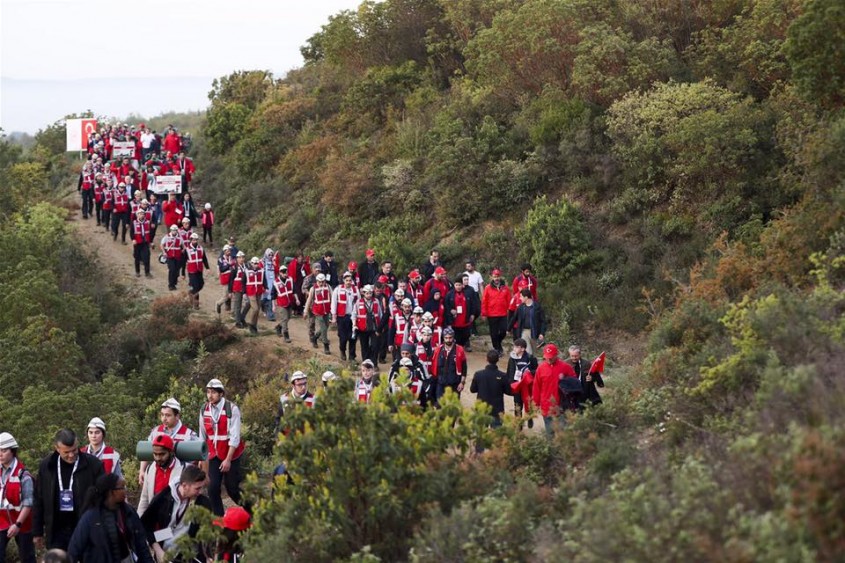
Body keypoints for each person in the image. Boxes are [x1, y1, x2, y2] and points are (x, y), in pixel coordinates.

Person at [33, 429, 105, 551]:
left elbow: (104, 496)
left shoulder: (93, 465)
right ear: (57, 448)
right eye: (66, 452)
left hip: (85, 527)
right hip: (56, 529)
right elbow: (39, 499)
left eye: (74, 450)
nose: (71, 455)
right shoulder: (47, 466)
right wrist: (37, 531)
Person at [67, 473, 153, 563]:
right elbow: (74, 550)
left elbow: (141, 545)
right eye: (122, 488)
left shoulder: (129, 512)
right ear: (111, 492)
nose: (125, 491)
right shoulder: (91, 518)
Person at [140, 465, 211, 563]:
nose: (200, 492)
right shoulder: (162, 498)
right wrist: (158, 550)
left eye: (201, 487)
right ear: (185, 485)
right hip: (165, 553)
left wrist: (208, 556)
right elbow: (144, 526)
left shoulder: (203, 502)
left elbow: (206, 533)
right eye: (197, 488)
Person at [199, 379, 244, 516]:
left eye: (213, 392)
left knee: (232, 489)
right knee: (212, 489)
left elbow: (235, 436)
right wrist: (201, 457)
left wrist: (228, 460)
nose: (210, 395)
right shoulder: (204, 409)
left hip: (231, 454)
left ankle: (253, 509)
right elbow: (202, 435)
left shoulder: (232, 409)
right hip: (214, 455)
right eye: (208, 392)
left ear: (221, 394)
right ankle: (220, 520)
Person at [139, 398, 199, 488]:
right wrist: (142, 471)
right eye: (162, 415)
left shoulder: (189, 435)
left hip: (181, 480)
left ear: (177, 416)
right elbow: (146, 451)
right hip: (159, 477)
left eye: (168, 415)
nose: (164, 418)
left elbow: (203, 454)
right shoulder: (156, 431)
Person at [0, 433, 35, 563]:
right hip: (2, 520)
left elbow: (28, 503)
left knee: (27, 557)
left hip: (22, 522)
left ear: (13, 451)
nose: (0, 454)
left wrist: (17, 524)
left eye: (4, 451)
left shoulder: (23, 475)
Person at [531, 344, 576, 436]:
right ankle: (551, 450)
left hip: (562, 406)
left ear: (557, 355)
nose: (549, 359)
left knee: (563, 432)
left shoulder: (565, 367)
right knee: (550, 433)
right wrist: (535, 403)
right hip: (546, 406)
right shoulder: (540, 368)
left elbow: (575, 383)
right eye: (547, 357)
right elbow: (536, 387)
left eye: (551, 357)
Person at [137, 434, 185, 517]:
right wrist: (138, 523)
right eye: (155, 454)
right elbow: (144, 499)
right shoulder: (150, 469)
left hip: (174, 522)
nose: (158, 458)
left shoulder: (184, 470)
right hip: (154, 521)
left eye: (162, 454)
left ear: (171, 452)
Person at [470, 350, 511, 427]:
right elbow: (508, 391)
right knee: (496, 435)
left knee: (481, 434)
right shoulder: (502, 376)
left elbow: (472, 390)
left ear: (486, 359)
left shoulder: (478, 374)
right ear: (498, 360)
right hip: (497, 410)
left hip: (482, 408)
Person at [430, 327, 468, 403]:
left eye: (450, 338)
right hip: (441, 383)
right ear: (443, 338)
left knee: (454, 406)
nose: (448, 340)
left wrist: (462, 382)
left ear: (453, 337)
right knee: (439, 404)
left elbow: (464, 368)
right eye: (446, 338)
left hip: (454, 383)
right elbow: (434, 366)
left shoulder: (459, 350)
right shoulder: (438, 350)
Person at [506, 338, 538, 427]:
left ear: (523, 349)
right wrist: (509, 383)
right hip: (516, 385)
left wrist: (529, 373)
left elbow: (537, 371)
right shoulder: (512, 358)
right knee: (517, 404)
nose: (514, 349)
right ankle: (518, 423)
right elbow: (509, 371)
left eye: (517, 347)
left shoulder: (531, 358)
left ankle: (529, 418)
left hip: (527, 385)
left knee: (528, 403)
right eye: (514, 346)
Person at [482, 269, 512, 354]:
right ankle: (497, 348)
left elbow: (509, 300)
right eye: (495, 276)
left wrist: (510, 311)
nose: (496, 278)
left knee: (503, 331)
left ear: (500, 277)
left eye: (498, 276)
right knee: (493, 333)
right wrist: (484, 313)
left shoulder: (505, 288)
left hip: (503, 313)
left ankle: (498, 343)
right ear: (492, 277)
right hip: (492, 314)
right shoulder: (488, 288)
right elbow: (484, 301)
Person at [331, 271, 359, 361]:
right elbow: (334, 303)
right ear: (343, 280)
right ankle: (342, 350)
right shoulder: (338, 289)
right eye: (347, 280)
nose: (348, 282)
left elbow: (359, 302)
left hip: (353, 317)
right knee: (343, 337)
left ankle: (352, 356)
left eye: (350, 280)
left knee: (353, 337)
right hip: (342, 317)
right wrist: (334, 316)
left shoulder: (355, 290)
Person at [354, 285, 382, 365]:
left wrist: (380, 327)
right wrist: (354, 325)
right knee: (364, 346)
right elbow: (354, 314)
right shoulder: (359, 302)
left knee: (374, 346)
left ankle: (374, 363)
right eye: (367, 293)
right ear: (363, 293)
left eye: (370, 293)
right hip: (363, 328)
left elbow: (380, 314)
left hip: (374, 327)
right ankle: (366, 363)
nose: (369, 295)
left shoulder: (376, 301)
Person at [513, 288, 546, 356]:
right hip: (524, 331)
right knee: (527, 351)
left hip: (534, 331)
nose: (520, 298)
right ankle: (528, 363)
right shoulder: (521, 307)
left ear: (526, 297)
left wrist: (542, 333)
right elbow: (514, 318)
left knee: (534, 352)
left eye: (521, 296)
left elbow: (543, 321)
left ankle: (534, 364)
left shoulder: (537, 307)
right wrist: (508, 328)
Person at [444, 280, 475, 351]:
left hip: (465, 320)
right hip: (455, 321)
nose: (458, 287)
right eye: (456, 285)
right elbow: (446, 305)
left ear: (462, 285)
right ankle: (456, 350)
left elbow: (472, 304)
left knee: (466, 335)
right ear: (454, 285)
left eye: (459, 285)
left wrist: (472, 314)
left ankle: (462, 347)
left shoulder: (467, 294)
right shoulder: (449, 294)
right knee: (456, 337)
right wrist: (451, 310)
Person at [305, 273, 332, 355]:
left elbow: (332, 296)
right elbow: (309, 300)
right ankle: (326, 345)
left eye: (323, 281)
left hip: (326, 311)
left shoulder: (328, 287)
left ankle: (314, 337)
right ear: (317, 281)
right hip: (317, 311)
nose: (321, 283)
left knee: (326, 326)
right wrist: (305, 310)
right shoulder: (313, 288)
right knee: (323, 328)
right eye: (319, 282)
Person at [273, 264, 299, 343]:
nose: (285, 274)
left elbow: (294, 291)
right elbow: (273, 295)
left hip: (290, 302)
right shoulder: (276, 282)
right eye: (283, 272)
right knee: (284, 319)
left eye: (286, 272)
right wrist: (273, 306)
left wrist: (297, 299)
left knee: (288, 317)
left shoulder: (290, 280)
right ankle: (286, 336)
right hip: (281, 303)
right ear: (280, 273)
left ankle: (278, 327)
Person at [184, 233, 210, 310]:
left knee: (201, 284)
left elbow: (204, 259)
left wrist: (207, 268)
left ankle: (191, 293)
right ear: (191, 240)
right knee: (196, 287)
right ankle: (196, 304)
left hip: (199, 269)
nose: (195, 241)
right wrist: (182, 273)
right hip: (192, 270)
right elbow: (183, 261)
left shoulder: (201, 248)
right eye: (193, 240)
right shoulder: (187, 249)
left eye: (196, 240)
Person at [244, 256, 265, 334]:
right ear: (251, 263)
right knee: (255, 309)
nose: (256, 265)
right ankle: (251, 324)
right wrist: (244, 293)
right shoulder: (247, 271)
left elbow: (264, 280)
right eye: (254, 263)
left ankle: (254, 326)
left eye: (257, 263)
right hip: (250, 292)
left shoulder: (261, 271)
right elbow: (244, 282)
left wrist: (266, 287)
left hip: (259, 292)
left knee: (258, 310)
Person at [228, 252, 249, 328]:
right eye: (239, 258)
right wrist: (230, 291)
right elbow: (231, 280)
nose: (241, 259)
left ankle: (242, 318)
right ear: (237, 259)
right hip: (237, 288)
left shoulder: (247, 266)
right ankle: (237, 322)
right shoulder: (234, 267)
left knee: (249, 303)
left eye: (243, 257)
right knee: (238, 305)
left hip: (246, 287)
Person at [161, 225, 183, 291]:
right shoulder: (166, 237)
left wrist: (183, 250)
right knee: (172, 270)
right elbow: (162, 244)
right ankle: (171, 285)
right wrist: (164, 252)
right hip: (170, 256)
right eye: (173, 230)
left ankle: (174, 282)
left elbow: (183, 245)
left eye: (175, 230)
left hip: (177, 256)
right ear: (171, 230)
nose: (174, 232)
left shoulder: (179, 238)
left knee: (176, 270)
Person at [132, 209, 153, 278]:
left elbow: (150, 233)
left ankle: (147, 273)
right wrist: (133, 239)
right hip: (137, 243)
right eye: (140, 214)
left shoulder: (147, 222)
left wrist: (150, 242)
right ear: (137, 215)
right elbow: (131, 232)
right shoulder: (134, 223)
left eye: (143, 214)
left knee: (147, 257)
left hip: (145, 243)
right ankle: (137, 272)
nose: (142, 215)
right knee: (137, 258)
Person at [215, 245, 235, 316]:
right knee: (225, 296)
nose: (229, 252)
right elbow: (221, 269)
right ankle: (218, 303)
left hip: (232, 278)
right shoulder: (221, 259)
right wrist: (229, 265)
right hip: (225, 278)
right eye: (228, 250)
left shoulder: (231, 258)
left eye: (230, 250)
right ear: (224, 251)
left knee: (232, 295)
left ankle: (231, 310)